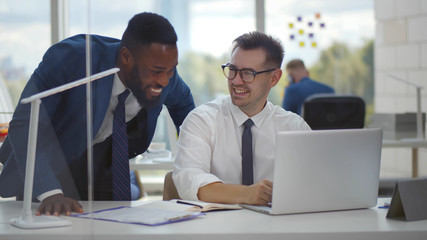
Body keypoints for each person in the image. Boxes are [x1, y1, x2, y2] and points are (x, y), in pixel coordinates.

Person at [0, 12, 195, 215]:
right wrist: (51, 194)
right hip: (51, 160)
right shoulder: (71, 59)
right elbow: (24, 123)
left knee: (116, 223)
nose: (165, 80)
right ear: (126, 57)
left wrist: (195, 161)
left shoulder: (166, 75)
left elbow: (185, 108)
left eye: (171, 70)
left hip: (106, 159)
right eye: (156, 71)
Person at [173, 32, 311, 206]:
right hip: (214, 228)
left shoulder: (294, 127)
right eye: (233, 70)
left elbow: (314, 182)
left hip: (277, 227)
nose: (236, 81)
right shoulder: (202, 120)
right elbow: (189, 180)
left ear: (274, 78)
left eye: (248, 73)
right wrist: (245, 194)